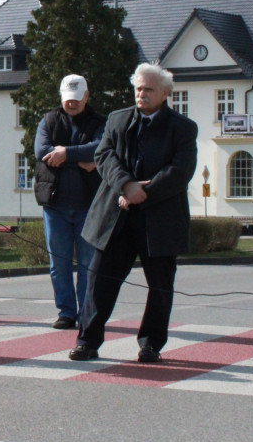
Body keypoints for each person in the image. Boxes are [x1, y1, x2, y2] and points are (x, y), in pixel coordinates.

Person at [69, 63, 198, 363]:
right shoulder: (118, 119)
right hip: (116, 216)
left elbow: (180, 171)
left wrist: (143, 194)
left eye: (148, 89)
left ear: (165, 93)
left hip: (160, 218)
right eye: (138, 88)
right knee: (100, 282)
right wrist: (126, 185)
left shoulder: (183, 127)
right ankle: (87, 341)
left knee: (160, 285)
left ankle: (151, 344)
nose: (141, 94)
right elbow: (104, 155)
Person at [34, 74, 106, 330]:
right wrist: (80, 159)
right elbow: (42, 152)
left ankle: (86, 312)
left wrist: (65, 154)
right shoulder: (49, 121)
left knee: (88, 265)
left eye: (76, 99)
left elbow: (101, 148)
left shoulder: (100, 122)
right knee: (59, 263)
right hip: (56, 205)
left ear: (86, 97)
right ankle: (66, 312)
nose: (71, 104)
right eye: (67, 99)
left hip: (89, 204)